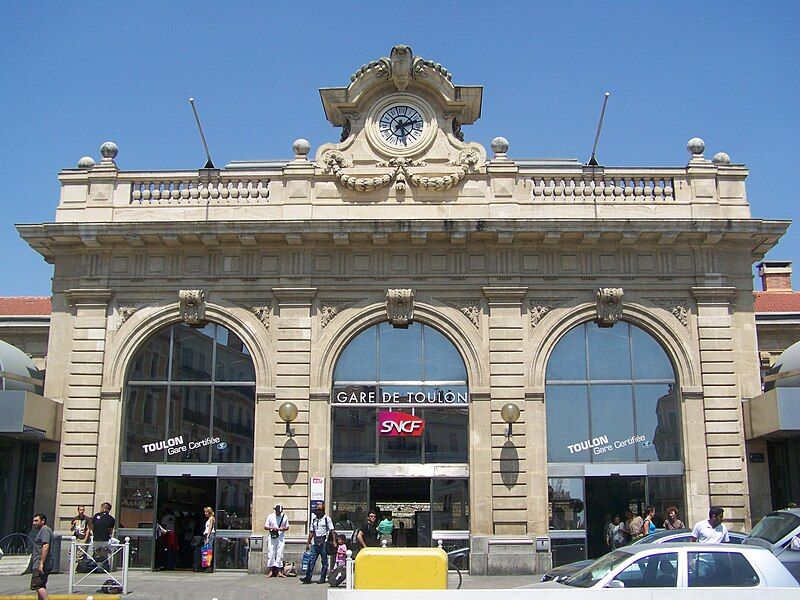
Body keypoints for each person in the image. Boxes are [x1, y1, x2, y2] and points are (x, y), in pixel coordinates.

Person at [300, 503, 335, 584]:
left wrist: (334, 541)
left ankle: (322, 578)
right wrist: (308, 542)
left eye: (319, 510)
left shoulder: (327, 519)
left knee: (324, 562)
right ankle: (308, 577)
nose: (317, 512)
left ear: (323, 511)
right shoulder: (314, 520)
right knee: (311, 561)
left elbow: (332, 530)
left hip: (324, 543)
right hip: (315, 543)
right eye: (317, 510)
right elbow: (312, 532)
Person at [30, 513, 53, 600]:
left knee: (38, 585)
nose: (34, 523)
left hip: (41, 563)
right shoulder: (44, 531)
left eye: (36, 521)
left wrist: (41, 563)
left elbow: (45, 546)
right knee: (41, 584)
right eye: (33, 521)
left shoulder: (45, 530)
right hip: (42, 562)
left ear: (43, 521)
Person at [264, 503, 289, 578]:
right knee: (271, 553)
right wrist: (272, 528)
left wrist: (282, 528)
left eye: (280, 512)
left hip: (280, 538)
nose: (278, 513)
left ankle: (279, 571)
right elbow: (265, 526)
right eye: (277, 512)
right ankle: (270, 571)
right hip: (272, 537)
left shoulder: (285, 517)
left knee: (280, 554)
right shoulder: (270, 516)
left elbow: (287, 527)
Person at [91, 502, 115, 569]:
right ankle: (104, 567)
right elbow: (111, 531)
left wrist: (94, 533)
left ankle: (96, 567)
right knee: (105, 554)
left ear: (104, 508)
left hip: (96, 539)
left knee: (96, 553)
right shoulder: (111, 519)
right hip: (105, 539)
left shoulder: (96, 516)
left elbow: (92, 526)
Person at [202, 507, 216, 571]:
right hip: (207, 534)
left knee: (209, 550)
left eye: (206, 512)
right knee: (207, 551)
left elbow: (210, 527)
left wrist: (207, 536)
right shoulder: (209, 519)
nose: (205, 513)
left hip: (210, 535)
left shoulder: (211, 518)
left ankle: (209, 566)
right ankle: (207, 565)